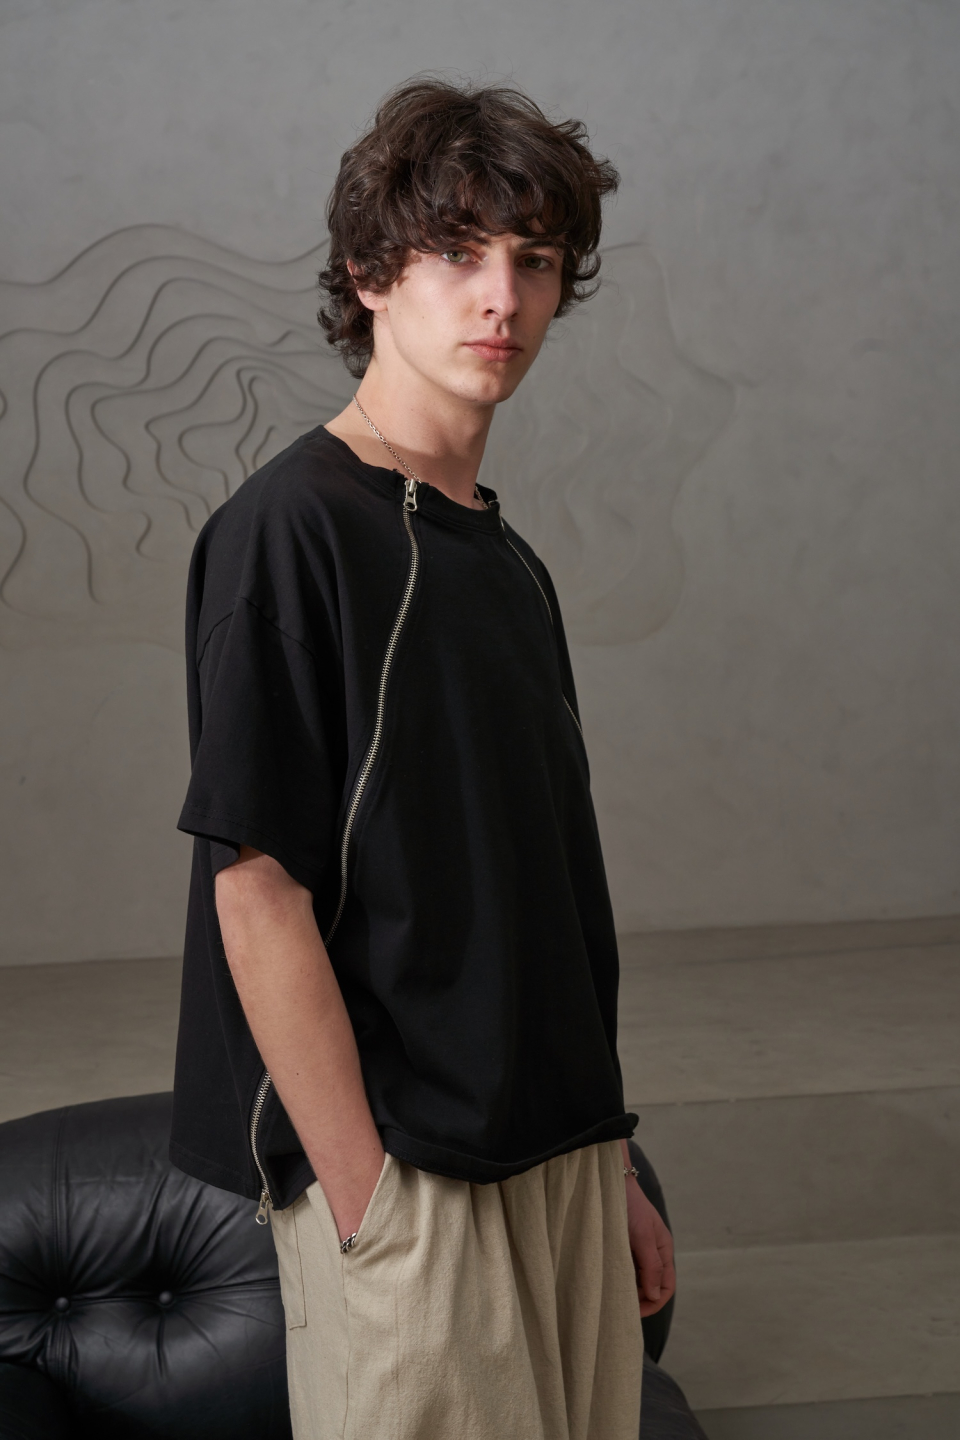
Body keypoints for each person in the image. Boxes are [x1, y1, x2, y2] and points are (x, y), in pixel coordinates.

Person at [171, 77, 676, 1440]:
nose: (501, 298)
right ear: (370, 275)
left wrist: (610, 1159)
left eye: (535, 261)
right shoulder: (290, 532)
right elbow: (256, 892)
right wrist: (368, 1206)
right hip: (411, 1181)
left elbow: (537, 906)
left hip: (559, 1164)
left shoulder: (506, 560)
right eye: (458, 253)